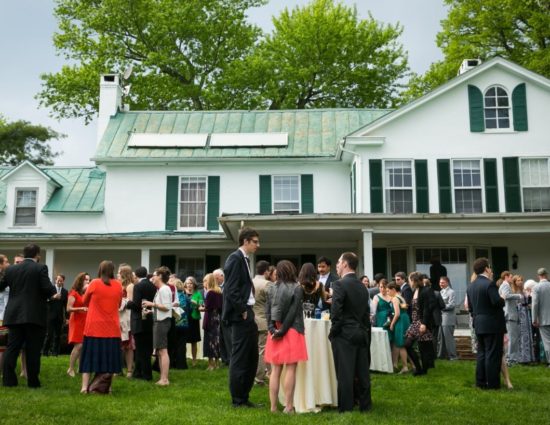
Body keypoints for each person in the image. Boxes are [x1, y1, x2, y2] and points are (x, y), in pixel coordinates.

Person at [0, 244, 56, 388]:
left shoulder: (11, 269)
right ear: (37, 254)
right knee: (33, 349)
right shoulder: (40, 268)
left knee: (12, 348)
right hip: (34, 314)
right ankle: (33, 382)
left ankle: (8, 381)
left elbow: (1, 286)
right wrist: (53, 294)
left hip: (14, 313)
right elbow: (47, 288)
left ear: (24, 255)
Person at [222, 227, 261, 408]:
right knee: (240, 357)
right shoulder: (235, 258)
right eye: (255, 241)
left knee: (251, 356)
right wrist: (242, 310)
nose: (258, 245)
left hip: (248, 312)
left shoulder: (244, 259)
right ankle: (238, 399)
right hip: (241, 315)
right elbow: (230, 289)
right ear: (245, 241)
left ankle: (244, 396)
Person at [329, 252, 371, 413]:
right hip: (361, 333)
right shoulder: (362, 286)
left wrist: (333, 332)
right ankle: (365, 405)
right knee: (362, 372)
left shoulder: (339, 284)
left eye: (339, 262)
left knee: (345, 373)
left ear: (345, 264)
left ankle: (346, 408)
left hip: (344, 334)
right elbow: (366, 313)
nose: (337, 265)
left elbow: (336, 312)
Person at [265, 260, 307, 414]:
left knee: (275, 370)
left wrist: (272, 329)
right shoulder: (297, 288)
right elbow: (293, 312)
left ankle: (273, 407)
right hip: (292, 331)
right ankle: (288, 406)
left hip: (275, 331)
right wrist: (282, 330)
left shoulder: (270, 288)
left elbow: (267, 312)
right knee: (290, 369)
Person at [79, 260, 123, 393]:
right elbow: (119, 304)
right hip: (112, 329)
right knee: (110, 360)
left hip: (94, 328)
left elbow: (83, 301)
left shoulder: (94, 283)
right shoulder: (118, 285)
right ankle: (108, 388)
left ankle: (84, 387)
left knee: (88, 358)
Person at [467, 257, 505, 389]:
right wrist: (502, 298)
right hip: (492, 324)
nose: (491, 269)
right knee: (493, 354)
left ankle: (480, 382)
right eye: (490, 267)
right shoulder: (489, 284)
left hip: (478, 323)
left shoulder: (471, 286)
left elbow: (470, 308)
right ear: (486, 269)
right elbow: (497, 302)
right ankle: (493, 384)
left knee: (482, 354)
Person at [142, 266, 173, 386]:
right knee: (160, 351)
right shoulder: (161, 289)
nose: (152, 278)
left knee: (163, 351)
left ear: (160, 276)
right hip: (159, 321)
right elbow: (162, 307)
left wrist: (152, 304)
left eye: (154, 275)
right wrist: (151, 311)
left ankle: (165, 379)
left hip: (162, 323)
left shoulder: (164, 289)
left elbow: (166, 307)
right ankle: (163, 378)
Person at [126, 266, 156, 380]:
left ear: (136, 275)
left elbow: (136, 305)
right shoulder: (153, 286)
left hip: (139, 321)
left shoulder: (138, 286)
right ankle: (137, 373)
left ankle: (147, 375)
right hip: (149, 320)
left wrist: (128, 303)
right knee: (145, 349)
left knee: (141, 350)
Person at [404, 271, 435, 376]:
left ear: (414, 280)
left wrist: (424, 323)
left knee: (422, 348)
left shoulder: (426, 291)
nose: (409, 282)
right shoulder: (415, 291)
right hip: (415, 322)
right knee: (409, 345)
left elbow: (428, 308)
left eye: (410, 280)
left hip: (421, 322)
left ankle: (422, 370)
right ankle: (419, 368)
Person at [66, 272, 90, 377]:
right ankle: (70, 368)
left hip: (85, 320)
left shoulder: (85, 293)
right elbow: (68, 308)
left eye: (89, 280)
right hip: (76, 320)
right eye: (86, 279)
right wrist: (80, 308)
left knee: (83, 345)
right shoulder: (73, 293)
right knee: (79, 345)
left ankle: (80, 367)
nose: (88, 282)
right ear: (80, 281)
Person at [252, 260, 272, 384]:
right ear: (266, 271)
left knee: (253, 349)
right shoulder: (267, 284)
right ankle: (259, 377)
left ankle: (260, 374)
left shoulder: (251, 282)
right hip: (263, 320)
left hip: (251, 319)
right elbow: (273, 303)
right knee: (262, 350)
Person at [387, 282, 410, 373]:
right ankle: (412, 365)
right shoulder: (401, 297)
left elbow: (397, 314)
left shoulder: (395, 298)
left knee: (401, 344)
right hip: (405, 319)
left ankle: (405, 367)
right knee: (403, 343)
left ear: (393, 289)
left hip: (400, 321)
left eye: (388, 291)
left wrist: (392, 324)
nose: (388, 293)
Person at [201, 273, 223, 371]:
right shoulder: (219, 292)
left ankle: (211, 365)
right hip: (217, 318)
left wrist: (200, 308)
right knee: (216, 341)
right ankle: (217, 363)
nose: (203, 283)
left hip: (210, 319)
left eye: (205, 281)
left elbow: (206, 307)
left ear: (209, 281)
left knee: (209, 341)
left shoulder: (209, 293)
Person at [42, 274, 68, 356]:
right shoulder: (50, 289)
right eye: (58, 280)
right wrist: (53, 297)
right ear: (55, 280)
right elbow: (44, 300)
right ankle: (45, 351)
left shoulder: (65, 291)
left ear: (63, 281)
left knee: (57, 335)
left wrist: (66, 318)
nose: (59, 282)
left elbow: (65, 305)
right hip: (50, 315)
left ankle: (55, 352)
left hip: (59, 316)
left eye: (61, 280)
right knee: (49, 334)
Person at [118, 264, 135, 378]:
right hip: (117, 317)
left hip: (126, 318)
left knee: (128, 346)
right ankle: (118, 369)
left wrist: (120, 302)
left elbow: (130, 302)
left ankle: (129, 370)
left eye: (119, 273)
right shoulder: (118, 285)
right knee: (118, 345)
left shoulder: (130, 286)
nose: (117, 275)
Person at [532, 267, 550, 367]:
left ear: (538, 276)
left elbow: (534, 304)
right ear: (546, 275)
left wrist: (534, 319)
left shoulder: (536, 288)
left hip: (543, 319)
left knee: (547, 342)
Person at [184, 276, 203, 367]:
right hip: (183, 319)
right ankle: (182, 359)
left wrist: (197, 304)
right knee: (182, 340)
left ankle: (194, 360)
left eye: (191, 283)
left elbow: (201, 305)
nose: (189, 285)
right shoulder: (183, 293)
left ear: (194, 284)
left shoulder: (198, 294)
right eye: (187, 283)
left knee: (193, 341)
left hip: (194, 319)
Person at [214, 268, 231, 366]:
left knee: (227, 337)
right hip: (218, 315)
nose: (215, 280)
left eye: (217, 278)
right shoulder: (215, 287)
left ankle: (229, 358)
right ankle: (224, 359)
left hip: (226, 315)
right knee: (220, 338)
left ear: (222, 276)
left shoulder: (227, 286)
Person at [438, 276, 458, 360]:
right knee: (441, 338)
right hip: (441, 317)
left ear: (447, 282)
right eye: (440, 282)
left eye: (442, 282)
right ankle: (441, 356)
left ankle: (453, 356)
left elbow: (452, 305)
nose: (441, 284)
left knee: (448, 338)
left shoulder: (451, 292)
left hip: (448, 318)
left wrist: (441, 307)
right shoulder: (441, 292)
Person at [173, 278, 189, 370]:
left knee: (174, 344)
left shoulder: (174, 297)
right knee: (182, 346)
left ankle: (174, 362)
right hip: (185, 323)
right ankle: (182, 364)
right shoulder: (185, 297)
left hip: (176, 323)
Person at [0, 254, 11, 375]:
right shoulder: (4, 278)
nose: (8, 264)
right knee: (2, 348)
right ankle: (3, 372)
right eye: (6, 262)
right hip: (3, 317)